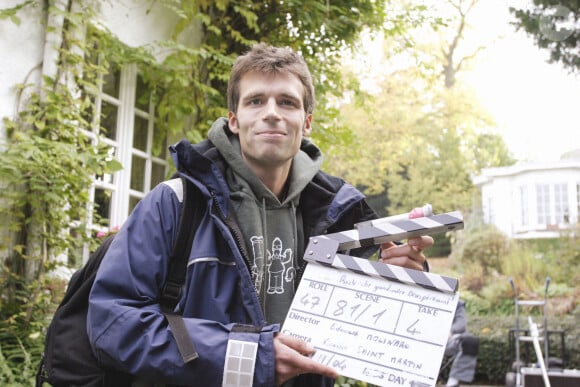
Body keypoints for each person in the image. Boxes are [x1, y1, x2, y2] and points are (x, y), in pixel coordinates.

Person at [87, 43, 434, 387]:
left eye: (287, 102)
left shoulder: (336, 217)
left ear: (307, 121)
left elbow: (363, 336)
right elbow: (112, 323)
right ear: (234, 121)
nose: (272, 112)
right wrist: (250, 357)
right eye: (255, 101)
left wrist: (400, 283)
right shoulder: (174, 204)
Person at [442, 300, 479, 387]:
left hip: (448, 340)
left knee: (470, 342)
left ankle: (453, 382)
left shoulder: (457, 303)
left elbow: (461, 323)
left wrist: (451, 331)